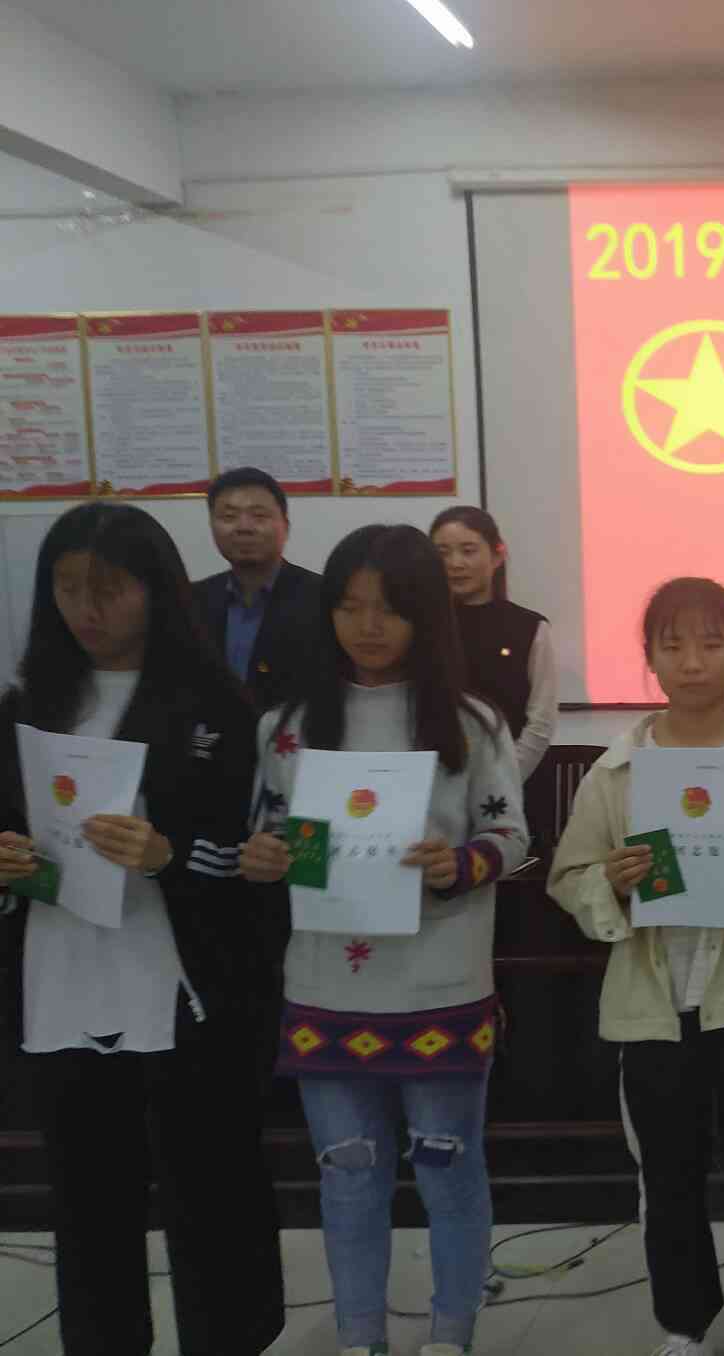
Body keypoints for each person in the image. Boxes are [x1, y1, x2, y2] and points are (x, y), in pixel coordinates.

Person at [0, 503, 284, 1355]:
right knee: (88, 1199)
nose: (87, 609)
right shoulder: (24, 709)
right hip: (63, 980)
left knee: (210, 1190)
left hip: (183, 988)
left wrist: (168, 854)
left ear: (156, 591)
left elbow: (255, 862)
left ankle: (228, 1337)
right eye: (68, 589)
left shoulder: (218, 709)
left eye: (109, 589)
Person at [239, 524, 526, 1356]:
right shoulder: (287, 725)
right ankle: (360, 1336)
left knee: (449, 1169)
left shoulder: (472, 722)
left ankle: (450, 1335)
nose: (367, 626)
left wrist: (457, 864)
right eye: (349, 606)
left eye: (390, 609)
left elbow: (512, 838)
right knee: (348, 1175)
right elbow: (271, 834)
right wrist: (264, 858)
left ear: (426, 615)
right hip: (328, 986)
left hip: (440, 983)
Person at [547, 577, 724, 1356]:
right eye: (672, 646)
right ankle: (683, 1326)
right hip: (651, 1004)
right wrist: (612, 880)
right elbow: (569, 875)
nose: (693, 662)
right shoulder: (619, 768)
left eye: (711, 643)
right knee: (668, 1181)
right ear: (649, 658)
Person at [430, 505, 557, 782]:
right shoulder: (421, 626)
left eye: (468, 551)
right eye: (442, 553)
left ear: (497, 555)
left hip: (513, 782)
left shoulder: (530, 628)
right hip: (436, 782)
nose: (455, 563)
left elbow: (541, 722)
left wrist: (503, 781)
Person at [194, 465, 325, 711]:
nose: (244, 527)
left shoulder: (323, 597)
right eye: (229, 517)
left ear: (285, 526)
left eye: (259, 516)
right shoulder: (192, 600)